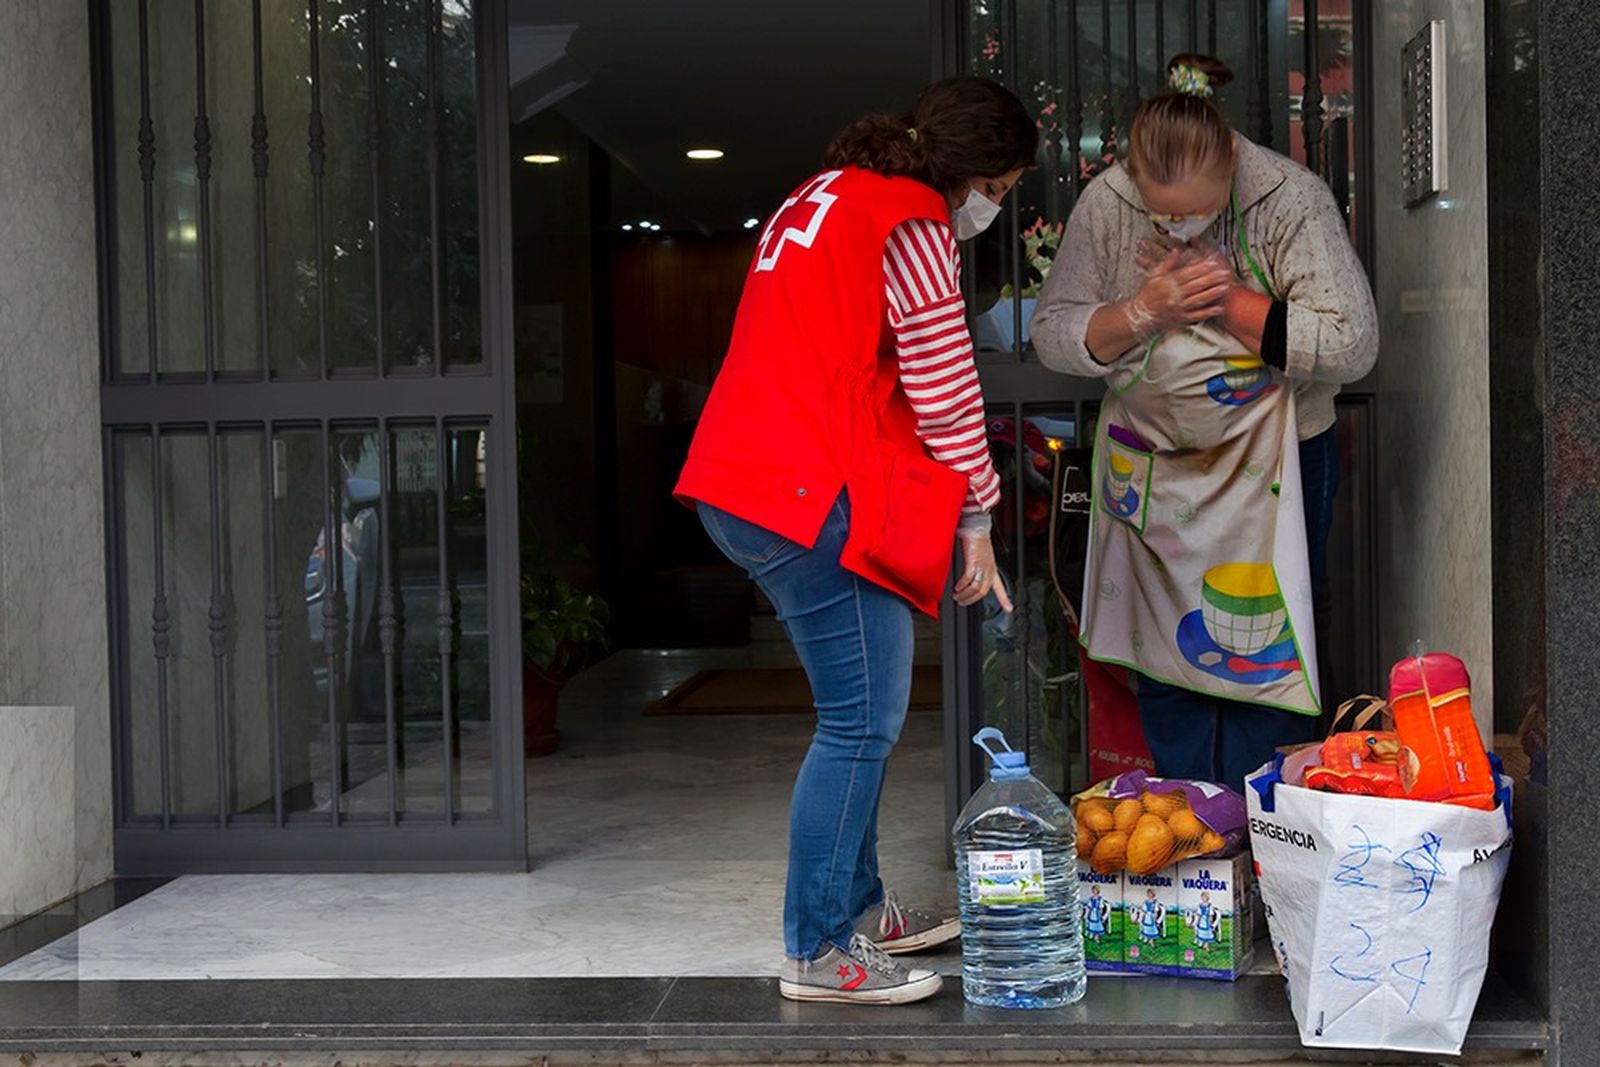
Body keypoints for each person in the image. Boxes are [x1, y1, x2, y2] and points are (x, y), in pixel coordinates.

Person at [674, 77, 1037, 1005]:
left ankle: (864, 910)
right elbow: (945, 383)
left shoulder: (824, 194)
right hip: (801, 492)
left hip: (740, 478)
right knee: (859, 721)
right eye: (1005, 184)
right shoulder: (910, 220)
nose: (1000, 206)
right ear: (974, 174)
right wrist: (979, 518)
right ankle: (818, 947)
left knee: (859, 714)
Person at [1031, 54, 1377, 790]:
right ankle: (1187, 828)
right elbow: (1053, 331)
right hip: (1152, 470)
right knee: (1167, 656)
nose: (1177, 223)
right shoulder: (1106, 204)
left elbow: (1352, 342)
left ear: (1233, 171)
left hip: (1275, 465)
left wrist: (1229, 301)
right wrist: (1139, 313)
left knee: (1267, 657)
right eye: (1161, 211)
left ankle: (1266, 834)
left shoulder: (1290, 197)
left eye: (1194, 209)